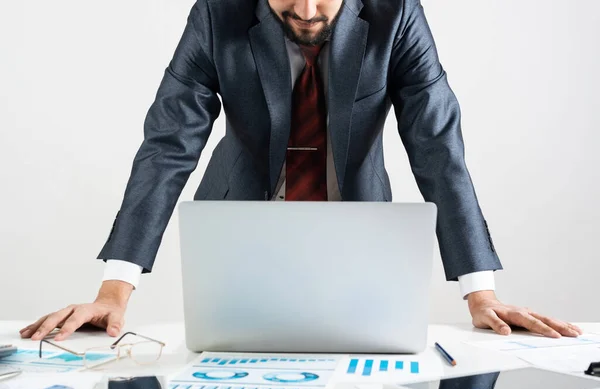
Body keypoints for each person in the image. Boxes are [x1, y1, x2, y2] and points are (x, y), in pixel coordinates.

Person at [20, 0, 582, 342]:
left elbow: (438, 150)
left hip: (356, 227)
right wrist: (115, 290)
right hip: (239, 225)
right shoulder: (217, 15)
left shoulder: (399, 16)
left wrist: (480, 293)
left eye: (325, 1)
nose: (307, 15)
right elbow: (168, 146)